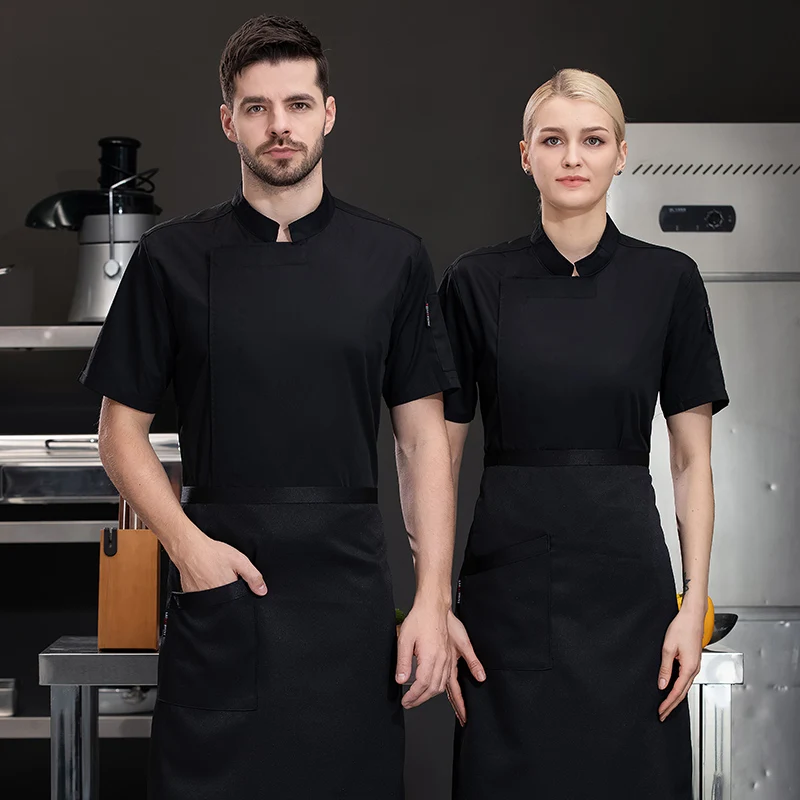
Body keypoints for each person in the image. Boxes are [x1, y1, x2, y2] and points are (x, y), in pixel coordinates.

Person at [79, 15, 460, 799]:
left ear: (328, 113)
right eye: (256, 108)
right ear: (228, 122)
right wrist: (190, 550)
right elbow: (119, 437)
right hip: (222, 583)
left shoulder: (393, 258)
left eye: (295, 104)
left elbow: (423, 444)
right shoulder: (170, 260)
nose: (278, 126)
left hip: (347, 596)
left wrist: (431, 599)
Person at [438, 68, 728, 799]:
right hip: (507, 590)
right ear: (525, 155)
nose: (573, 156)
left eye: (592, 140)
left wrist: (692, 603)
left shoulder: (670, 281)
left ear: (621, 154)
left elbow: (692, 461)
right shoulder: (474, 282)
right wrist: (436, 599)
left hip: (629, 593)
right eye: (553, 139)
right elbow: (436, 460)